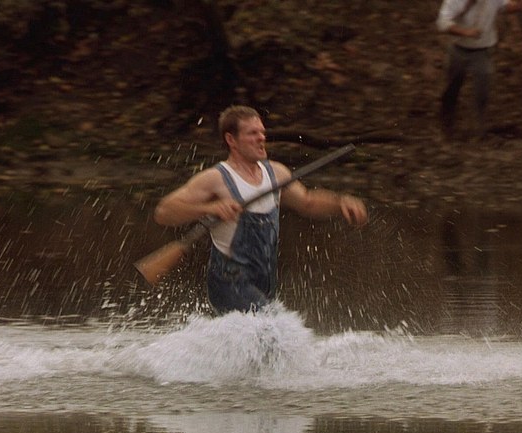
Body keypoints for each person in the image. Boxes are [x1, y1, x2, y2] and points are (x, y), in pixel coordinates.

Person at [154, 105, 368, 314]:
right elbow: (164, 212)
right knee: (276, 329)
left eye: (262, 132)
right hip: (229, 283)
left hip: (264, 280)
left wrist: (340, 203)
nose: (261, 138)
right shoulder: (215, 179)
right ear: (231, 140)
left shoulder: (276, 173)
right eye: (252, 133)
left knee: (268, 333)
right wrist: (210, 207)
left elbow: (308, 202)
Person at [436, 0, 522, 139]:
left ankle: (478, 127)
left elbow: (507, 7)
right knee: (452, 87)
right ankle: (447, 124)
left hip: (482, 51)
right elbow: (442, 22)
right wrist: (465, 32)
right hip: (458, 49)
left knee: (483, 87)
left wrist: (520, 4)